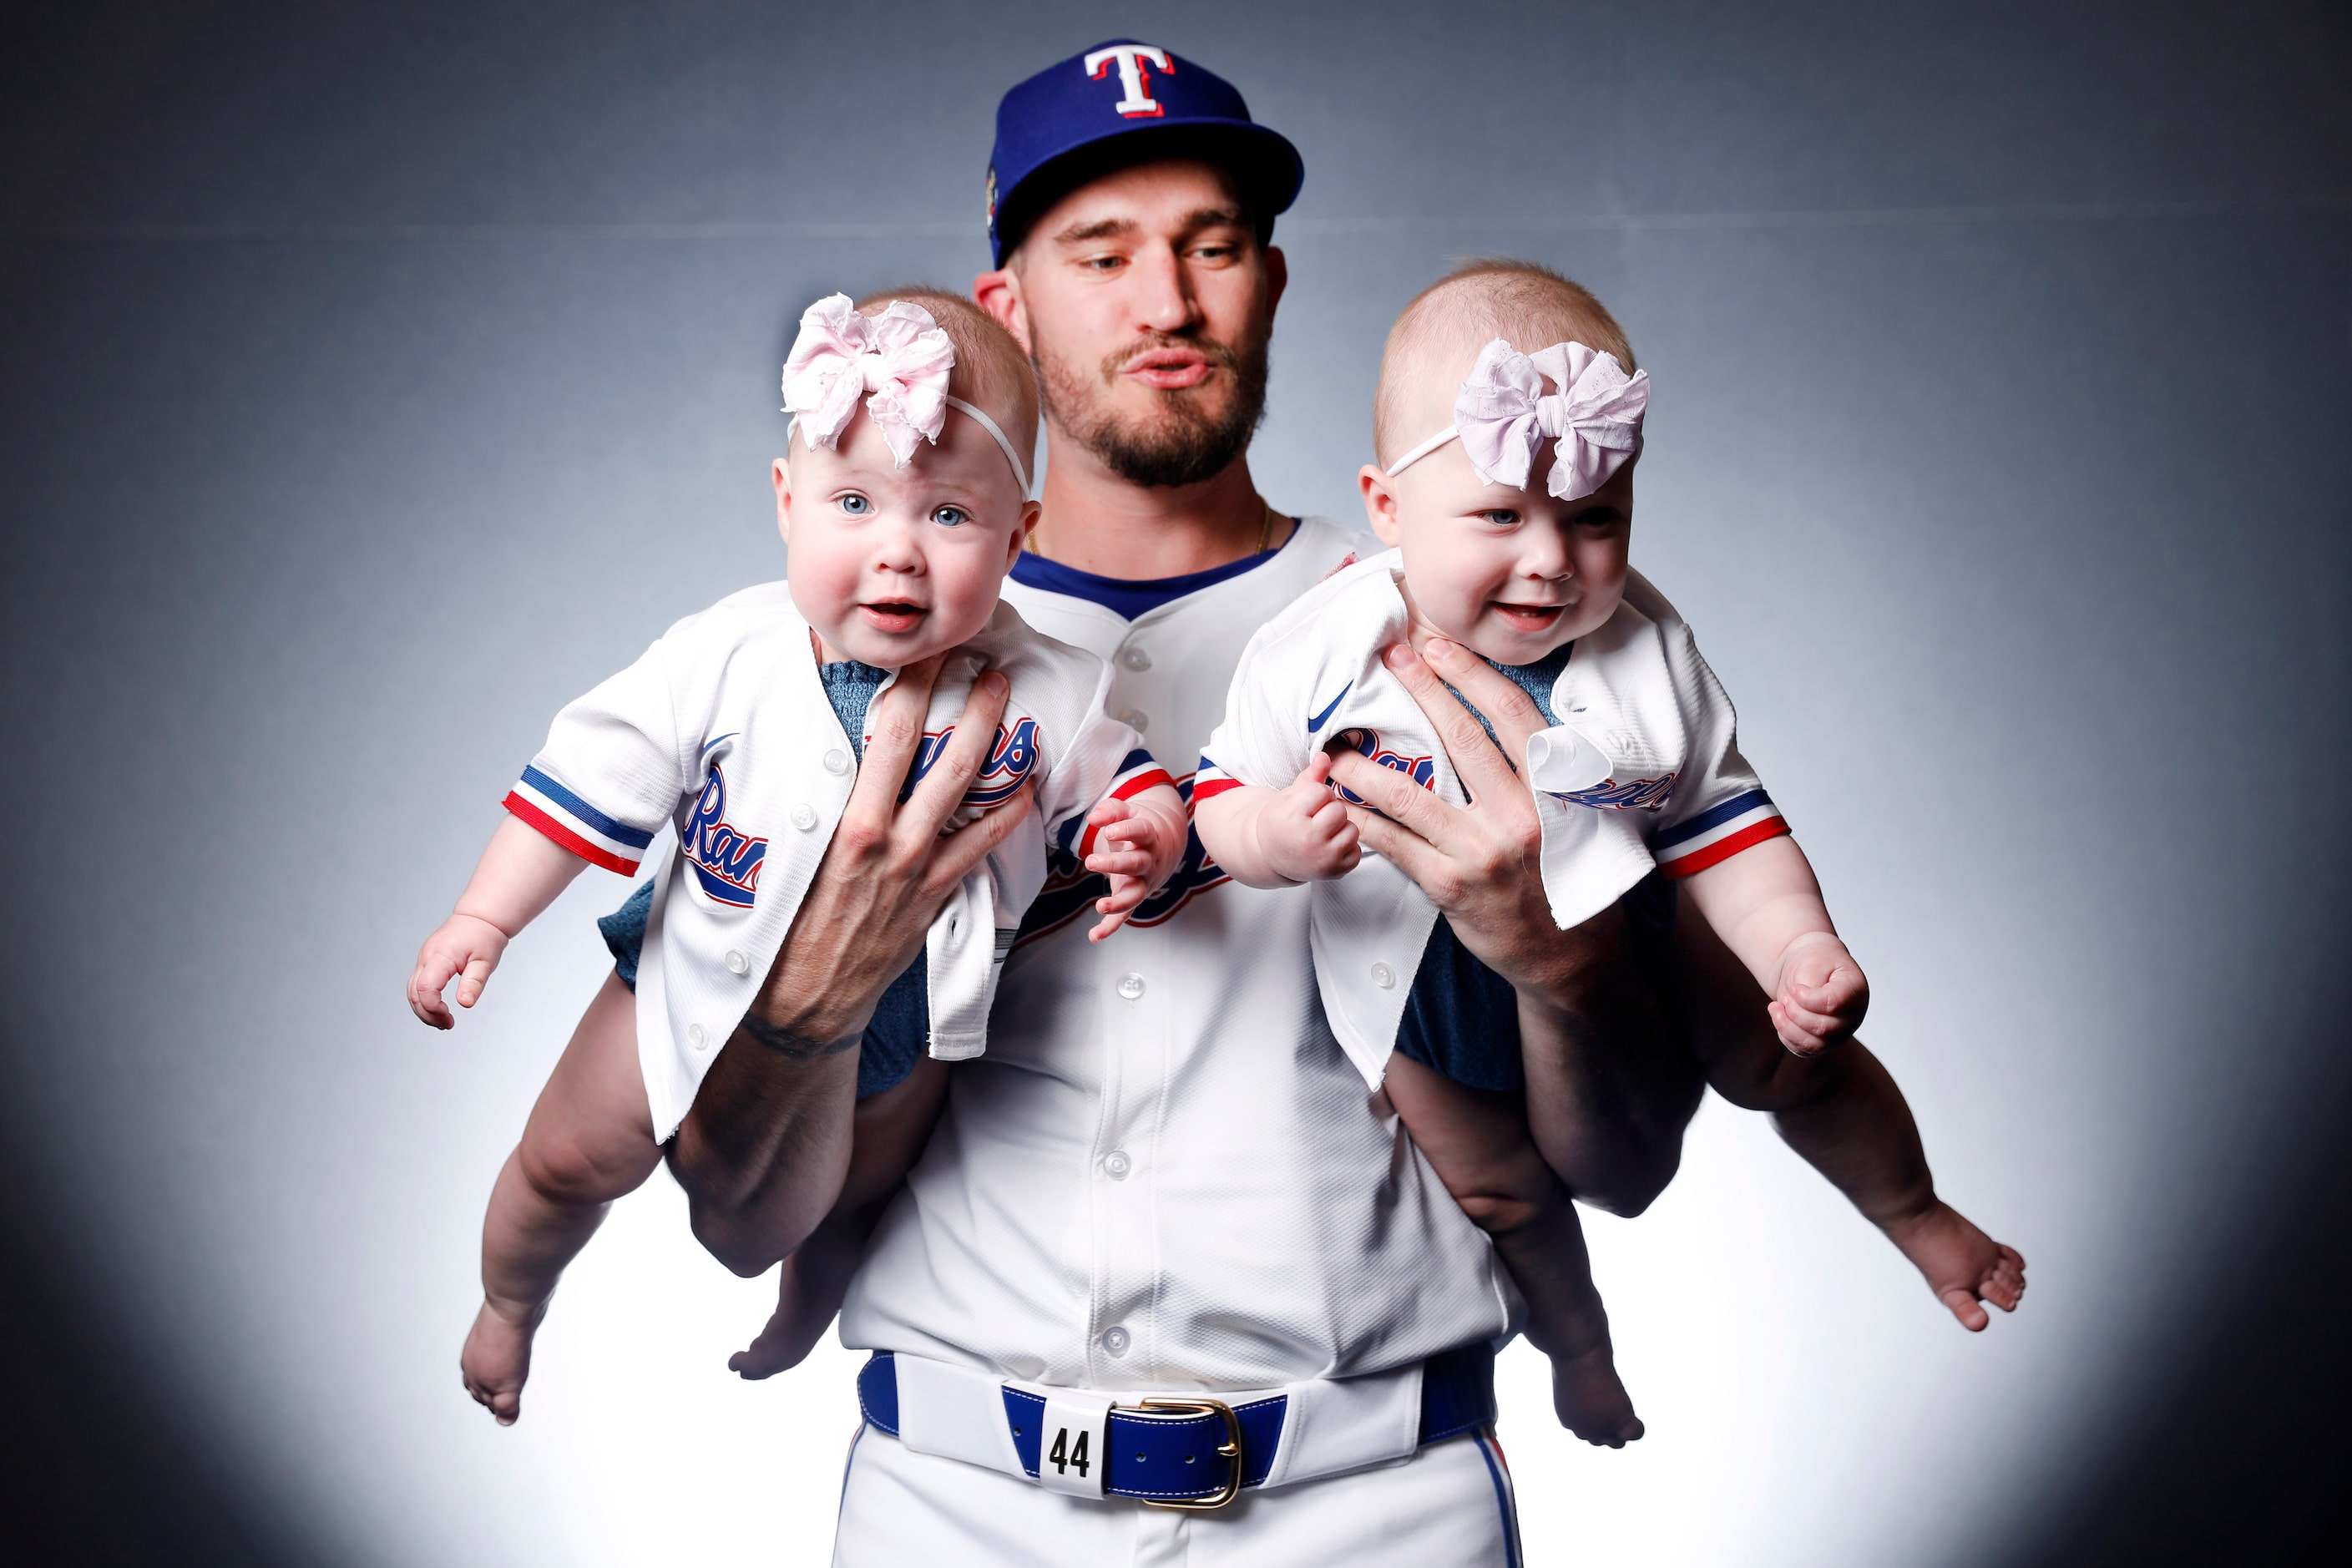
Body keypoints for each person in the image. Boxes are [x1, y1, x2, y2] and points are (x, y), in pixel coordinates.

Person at [670, 43, 1704, 1564]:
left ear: (1270, 284)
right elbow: (731, 1213)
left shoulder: (1482, 623)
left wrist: (1556, 958)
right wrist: (817, 988)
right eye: (1101, 252)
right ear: (1005, 307)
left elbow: (1627, 1166)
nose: (1166, 301)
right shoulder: (817, 667)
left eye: (1210, 247)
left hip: (1372, 1501)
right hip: (959, 1502)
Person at [1191, 260, 2026, 1442]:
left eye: (1594, 519)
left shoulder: (1641, 649)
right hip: (1407, 983)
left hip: (1629, 920)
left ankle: (1912, 1204)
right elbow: (1220, 786)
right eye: (1499, 516)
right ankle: (1576, 1349)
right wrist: (1271, 834)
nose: (1550, 562)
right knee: (1501, 1195)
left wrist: (1800, 944)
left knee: (1789, 1056)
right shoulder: (1319, 646)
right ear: (1384, 507)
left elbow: (1724, 822)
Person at [407, 287, 1188, 1424]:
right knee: (564, 1158)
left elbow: (1114, 773)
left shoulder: (1047, 682)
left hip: (916, 1015)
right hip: (679, 971)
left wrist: (1142, 828)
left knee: (861, 1199)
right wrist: (482, 919)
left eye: (948, 518)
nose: (897, 554)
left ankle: (803, 1309)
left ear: (1021, 532)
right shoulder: (720, 653)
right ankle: (508, 1301)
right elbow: (584, 780)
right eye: (856, 502)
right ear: (787, 503)